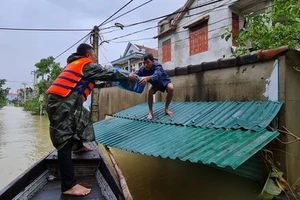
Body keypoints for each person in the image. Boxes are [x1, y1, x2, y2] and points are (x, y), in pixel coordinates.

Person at [46, 43, 129, 196]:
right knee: (64, 138)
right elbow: (109, 73)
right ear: (89, 55)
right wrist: (130, 76)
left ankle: (77, 146)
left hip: (64, 101)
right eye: (95, 56)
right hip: (61, 102)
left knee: (82, 117)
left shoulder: (75, 64)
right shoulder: (86, 64)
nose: (95, 59)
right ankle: (68, 185)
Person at [129, 54, 174, 120]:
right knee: (150, 91)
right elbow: (136, 75)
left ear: (152, 61)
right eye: (144, 63)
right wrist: (130, 75)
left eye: (148, 62)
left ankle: (166, 109)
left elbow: (156, 76)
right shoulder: (142, 69)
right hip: (155, 84)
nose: (146, 65)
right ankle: (150, 112)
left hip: (164, 82)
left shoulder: (158, 66)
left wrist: (146, 78)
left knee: (171, 88)